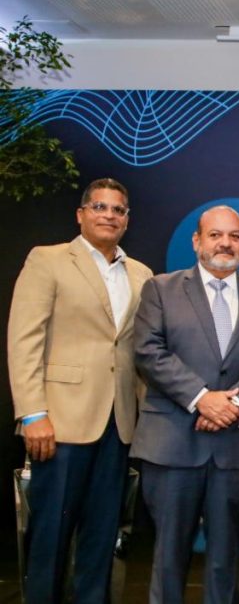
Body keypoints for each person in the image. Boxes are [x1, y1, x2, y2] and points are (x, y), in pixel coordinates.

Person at [132, 204, 239, 604]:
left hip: (235, 448)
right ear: (197, 240)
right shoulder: (161, 289)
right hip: (173, 445)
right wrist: (202, 399)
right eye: (216, 234)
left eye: (234, 236)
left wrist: (236, 405)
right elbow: (149, 351)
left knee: (224, 562)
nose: (225, 243)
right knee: (169, 558)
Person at [7, 177, 152, 603]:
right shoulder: (48, 260)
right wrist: (33, 413)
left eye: (118, 210)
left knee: (102, 535)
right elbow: (24, 340)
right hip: (59, 422)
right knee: (50, 533)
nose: (109, 215)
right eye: (100, 207)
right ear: (81, 214)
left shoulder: (141, 274)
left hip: (119, 424)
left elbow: (140, 352)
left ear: (127, 220)